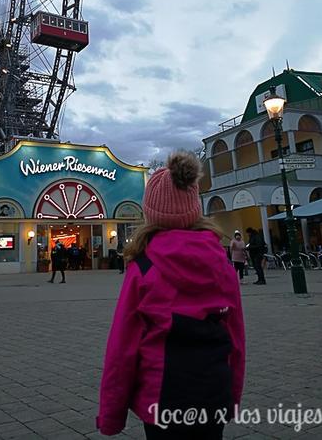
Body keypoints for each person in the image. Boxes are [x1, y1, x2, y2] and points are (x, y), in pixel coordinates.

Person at [97, 152, 245, 439]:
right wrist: (232, 395)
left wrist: (111, 415)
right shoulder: (222, 262)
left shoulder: (143, 266)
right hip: (213, 392)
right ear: (193, 207)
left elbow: (122, 346)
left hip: (161, 397)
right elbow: (236, 337)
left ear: (151, 212)